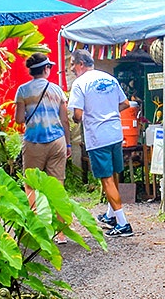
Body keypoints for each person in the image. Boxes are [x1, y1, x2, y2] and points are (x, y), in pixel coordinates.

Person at [68, 49, 133, 238]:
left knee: (106, 179)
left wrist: (77, 117)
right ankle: (111, 214)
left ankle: (123, 223)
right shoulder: (109, 78)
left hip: (98, 136)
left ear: (81, 64)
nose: (72, 68)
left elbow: (78, 115)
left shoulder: (80, 83)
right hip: (115, 132)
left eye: (73, 64)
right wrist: (109, 112)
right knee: (113, 174)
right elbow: (126, 104)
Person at [15, 53, 71, 244]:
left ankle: (36, 232)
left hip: (34, 142)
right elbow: (65, 120)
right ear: (46, 68)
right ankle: (60, 233)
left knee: (31, 185)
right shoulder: (57, 90)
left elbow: (19, 119)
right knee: (57, 186)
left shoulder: (22, 91)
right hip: (57, 141)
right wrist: (68, 143)